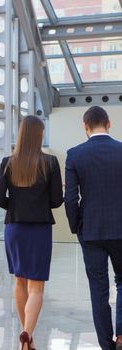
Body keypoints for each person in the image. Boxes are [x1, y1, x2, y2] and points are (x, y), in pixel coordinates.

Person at [0, 115, 63, 350]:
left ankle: (27, 338)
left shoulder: (8, 162)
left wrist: (16, 206)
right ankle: (27, 333)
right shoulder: (51, 162)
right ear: (40, 135)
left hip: (14, 228)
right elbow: (56, 201)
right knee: (37, 287)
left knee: (20, 282)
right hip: (39, 228)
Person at [64, 106, 122, 350]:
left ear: (85, 127)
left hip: (91, 231)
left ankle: (106, 345)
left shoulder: (75, 154)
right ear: (108, 124)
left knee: (98, 289)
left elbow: (70, 198)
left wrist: (77, 227)